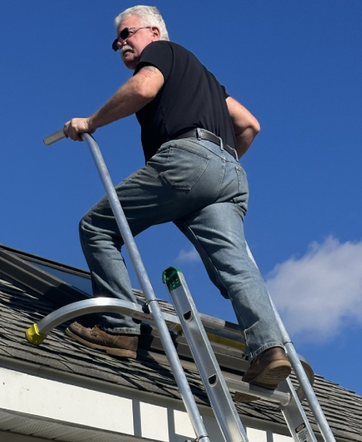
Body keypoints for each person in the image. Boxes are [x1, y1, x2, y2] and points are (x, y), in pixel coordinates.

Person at [61, 6, 304, 389]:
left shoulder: (163, 53)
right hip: (229, 172)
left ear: (155, 32)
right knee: (235, 266)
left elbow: (143, 88)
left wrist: (90, 123)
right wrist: (218, 163)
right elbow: (249, 124)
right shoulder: (205, 79)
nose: (122, 43)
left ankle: (120, 329)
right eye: (117, 40)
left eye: (128, 33)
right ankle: (269, 348)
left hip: (190, 160)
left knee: (97, 226)